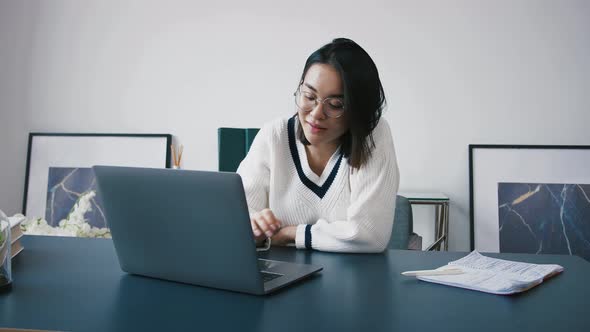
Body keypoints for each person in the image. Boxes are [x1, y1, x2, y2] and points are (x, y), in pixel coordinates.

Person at [237, 38, 399, 253]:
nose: (316, 114)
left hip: (351, 279)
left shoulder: (373, 135)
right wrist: (255, 228)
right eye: (309, 96)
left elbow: (370, 234)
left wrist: (289, 234)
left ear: (359, 110)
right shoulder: (274, 135)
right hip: (282, 274)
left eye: (335, 105)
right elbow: (237, 220)